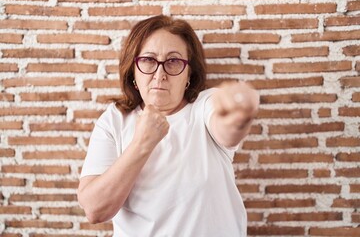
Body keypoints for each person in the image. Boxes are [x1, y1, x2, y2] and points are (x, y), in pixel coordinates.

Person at [77, 14, 259, 237]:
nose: (160, 74)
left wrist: (238, 114)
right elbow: (95, 210)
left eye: (173, 61)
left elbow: (227, 129)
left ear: (188, 74)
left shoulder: (204, 106)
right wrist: (143, 142)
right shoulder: (114, 120)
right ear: (133, 72)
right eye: (148, 60)